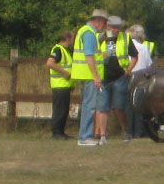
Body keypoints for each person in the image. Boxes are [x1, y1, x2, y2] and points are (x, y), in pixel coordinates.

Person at [71, 8, 108, 145]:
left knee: (89, 105)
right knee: (90, 106)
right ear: (98, 21)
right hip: (89, 75)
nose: (104, 26)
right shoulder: (89, 34)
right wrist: (96, 76)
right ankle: (85, 137)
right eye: (104, 23)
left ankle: (85, 135)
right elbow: (88, 56)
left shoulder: (87, 32)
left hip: (86, 74)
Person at [99, 16, 132, 142]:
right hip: (103, 77)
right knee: (103, 107)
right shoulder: (100, 38)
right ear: (107, 27)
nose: (116, 30)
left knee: (119, 107)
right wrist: (99, 54)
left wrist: (128, 70)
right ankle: (103, 135)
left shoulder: (125, 37)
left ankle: (124, 130)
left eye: (118, 27)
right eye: (113, 27)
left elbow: (134, 56)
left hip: (119, 77)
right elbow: (91, 53)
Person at [126, 24, 154, 140]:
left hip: (129, 76)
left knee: (128, 106)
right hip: (141, 78)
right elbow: (149, 64)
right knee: (139, 105)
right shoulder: (143, 47)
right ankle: (139, 131)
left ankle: (129, 131)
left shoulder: (125, 46)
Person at [46, 29, 74, 139]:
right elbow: (50, 63)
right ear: (67, 38)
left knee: (64, 110)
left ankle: (61, 132)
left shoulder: (64, 50)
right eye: (72, 38)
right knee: (59, 110)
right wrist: (65, 72)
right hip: (59, 84)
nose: (73, 40)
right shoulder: (58, 49)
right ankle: (56, 133)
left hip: (65, 85)